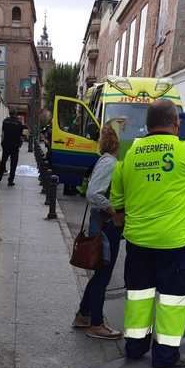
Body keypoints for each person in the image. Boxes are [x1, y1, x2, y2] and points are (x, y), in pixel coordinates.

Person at [111, 99, 185, 368]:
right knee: (172, 300)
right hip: (175, 243)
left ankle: (135, 347)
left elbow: (117, 195)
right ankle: (165, 356)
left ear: (147, 124)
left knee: (139, 295)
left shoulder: (130, 152)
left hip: (138, 241)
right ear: (176, 124)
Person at [72, 126, 123, 340]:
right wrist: (112, 210)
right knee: (103, 273)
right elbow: (94, 193)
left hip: (102, 222)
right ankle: (96, 323)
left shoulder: (104, 161)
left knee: (100, 272)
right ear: (117, 145)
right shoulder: (110, 163)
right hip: (105, 224)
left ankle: (84, 315)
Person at [0, 109, 25, 186]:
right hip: (15, 146)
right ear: (15, 114)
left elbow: (3, 133)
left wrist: (2, 143)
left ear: (10, 113)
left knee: (3, 162)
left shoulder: (5, 121)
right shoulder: (19, 123)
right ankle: (10, 181)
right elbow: (21, 135)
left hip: (6, 145)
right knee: (13, 164)